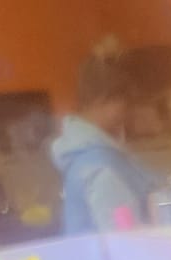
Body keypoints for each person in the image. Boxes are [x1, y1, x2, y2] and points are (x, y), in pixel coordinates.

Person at [51, 42, 156, 234]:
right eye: (126, 103)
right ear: (103, 99)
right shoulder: (101, 166)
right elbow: (123, 236)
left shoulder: (86, 156)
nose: (128, 112)